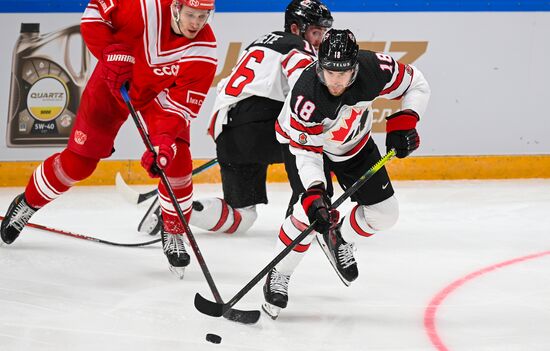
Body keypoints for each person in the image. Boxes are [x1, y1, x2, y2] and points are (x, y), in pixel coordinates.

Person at [0, 0, 218, 279]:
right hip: (111, 85)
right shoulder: (142, 6)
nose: (196, 23)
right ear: (175, 7)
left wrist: (163, 144)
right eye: (191, 15)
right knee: (77, 165)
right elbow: (93, 14)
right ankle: (27, 203)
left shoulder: (204, 50)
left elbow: (176, 109)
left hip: (158, 100)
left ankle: (174, 230)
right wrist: (110, 52)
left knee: (176, 159)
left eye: (203, 16)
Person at [261, 28, 431, 319]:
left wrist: (407, 119)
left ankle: (340, 236)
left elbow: (417, 83)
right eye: (330, 72)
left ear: (355, 67)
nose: (336, 81)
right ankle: (280, 272)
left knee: (385, 214)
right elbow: (307, 154)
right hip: (304, 148)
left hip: (354, 144)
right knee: (307, 214)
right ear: (318, 66)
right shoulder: (307, 97)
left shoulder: (375, 69)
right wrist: (314, 192)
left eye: (343, 73)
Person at [137, 0, 333, 236]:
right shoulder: (299, 48)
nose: (320, 40)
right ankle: (304, 222)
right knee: (317, 152)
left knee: (242, 216)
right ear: (295, 28)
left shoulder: (260, 43)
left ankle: (178, 208)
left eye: (323, 33)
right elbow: (305, 88)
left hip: (227, 131)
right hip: (255, 124)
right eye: (315, 32)